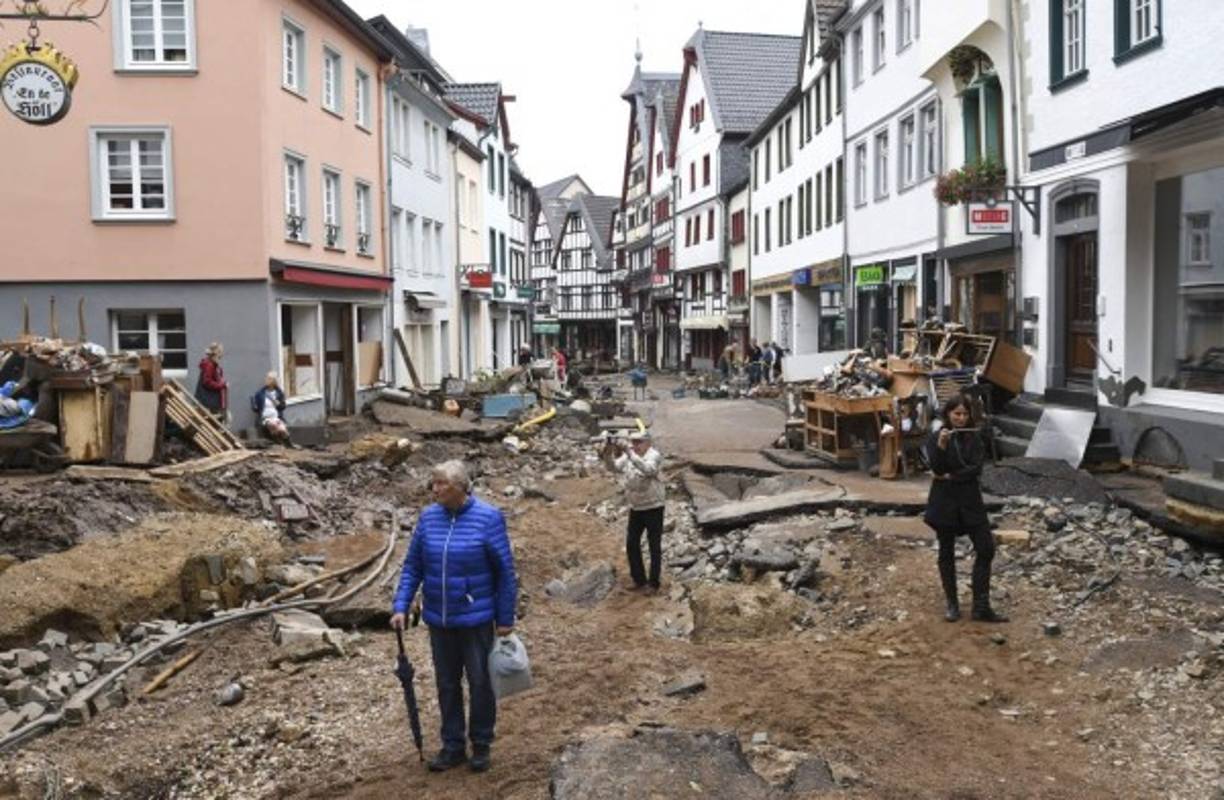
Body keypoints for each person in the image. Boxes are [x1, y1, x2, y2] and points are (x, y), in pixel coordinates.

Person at [391, 461, 518, 773]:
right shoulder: (428, 518)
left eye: (441, 485)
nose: (435, 490)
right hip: (439, 620)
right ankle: (452, 746)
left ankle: (482, 744)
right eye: (433, 484)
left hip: (476, 620)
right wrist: (401, 605)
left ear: (461, 487)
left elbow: (505, 573)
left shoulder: (488, 518)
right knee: (446, 684)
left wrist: (505, 619)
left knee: (480, 683)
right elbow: (413, 567)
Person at [923, 394, 1007, 624]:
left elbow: (975, 468)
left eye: (964, 414)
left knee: (986, 548)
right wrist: (941, 447)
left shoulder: (974, 438)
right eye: (956, 414)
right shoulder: (936, 438)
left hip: (970, 501)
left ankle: (981, 606)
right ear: (948, 415)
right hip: (945, 503)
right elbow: (936, 468)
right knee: (946, 551)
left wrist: (951, 476)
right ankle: (952, 603)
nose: (960, 418)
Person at [603, 431, 666, 593]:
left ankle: (653, 583)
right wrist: (607, 453)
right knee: (631, 544)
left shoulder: (654, 455)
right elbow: (614, 468)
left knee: (654, 546)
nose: (635, 446)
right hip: (636, 507)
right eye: (633, 442)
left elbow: (648, 470)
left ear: (648, 443)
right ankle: (639, 579)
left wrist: (630, 453)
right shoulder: (629, 455)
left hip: (653, 506)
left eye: (639, 442)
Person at [250, 372, 290, 444]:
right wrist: (254, 406)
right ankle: (276, 442)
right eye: (267, 378)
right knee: (273, 425)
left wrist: (278, 404)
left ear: (274, 381)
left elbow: (283, 407)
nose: (266, 380)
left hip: (277, 418)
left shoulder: (279, 393)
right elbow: (255, 406)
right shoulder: (260, 393)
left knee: (283, 430)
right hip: (266, 419)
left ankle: (289, 445)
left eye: (269, 379)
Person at [194, 342, 227, 420]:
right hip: (208, 401)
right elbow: (207, 382)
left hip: (209, 400)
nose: (221, 355)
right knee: (213, 422)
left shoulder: (212, 365)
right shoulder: (209, 365)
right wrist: (221, 385)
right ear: (215, 354)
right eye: (220, 353)